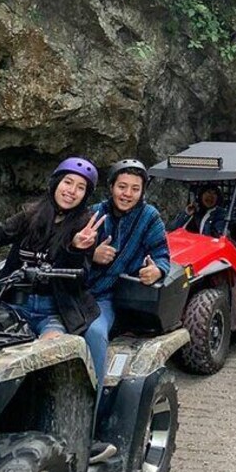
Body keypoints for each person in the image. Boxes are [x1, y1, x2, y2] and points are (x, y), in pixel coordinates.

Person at [0, 157, 102, 338]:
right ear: (56, 183)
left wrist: (75, 249)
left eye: (80, 187)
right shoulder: (30, 216)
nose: (72, 191)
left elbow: (78, 281)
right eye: (68, 182)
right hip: (15, 304)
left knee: (51, 351)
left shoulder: (85, 229)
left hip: (54, 311)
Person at [84, 159, 170, 383]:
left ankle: (99, 400)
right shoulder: (94, 213)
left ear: (142, 192)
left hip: (111, 296)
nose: (127, 194)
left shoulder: (149, 217)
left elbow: (162, 255)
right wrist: (92, 254)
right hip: (78, 289)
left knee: (94, 332)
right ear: (111, 187)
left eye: (135, 189)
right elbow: (68, 249)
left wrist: (156, 271)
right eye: (122, 187)